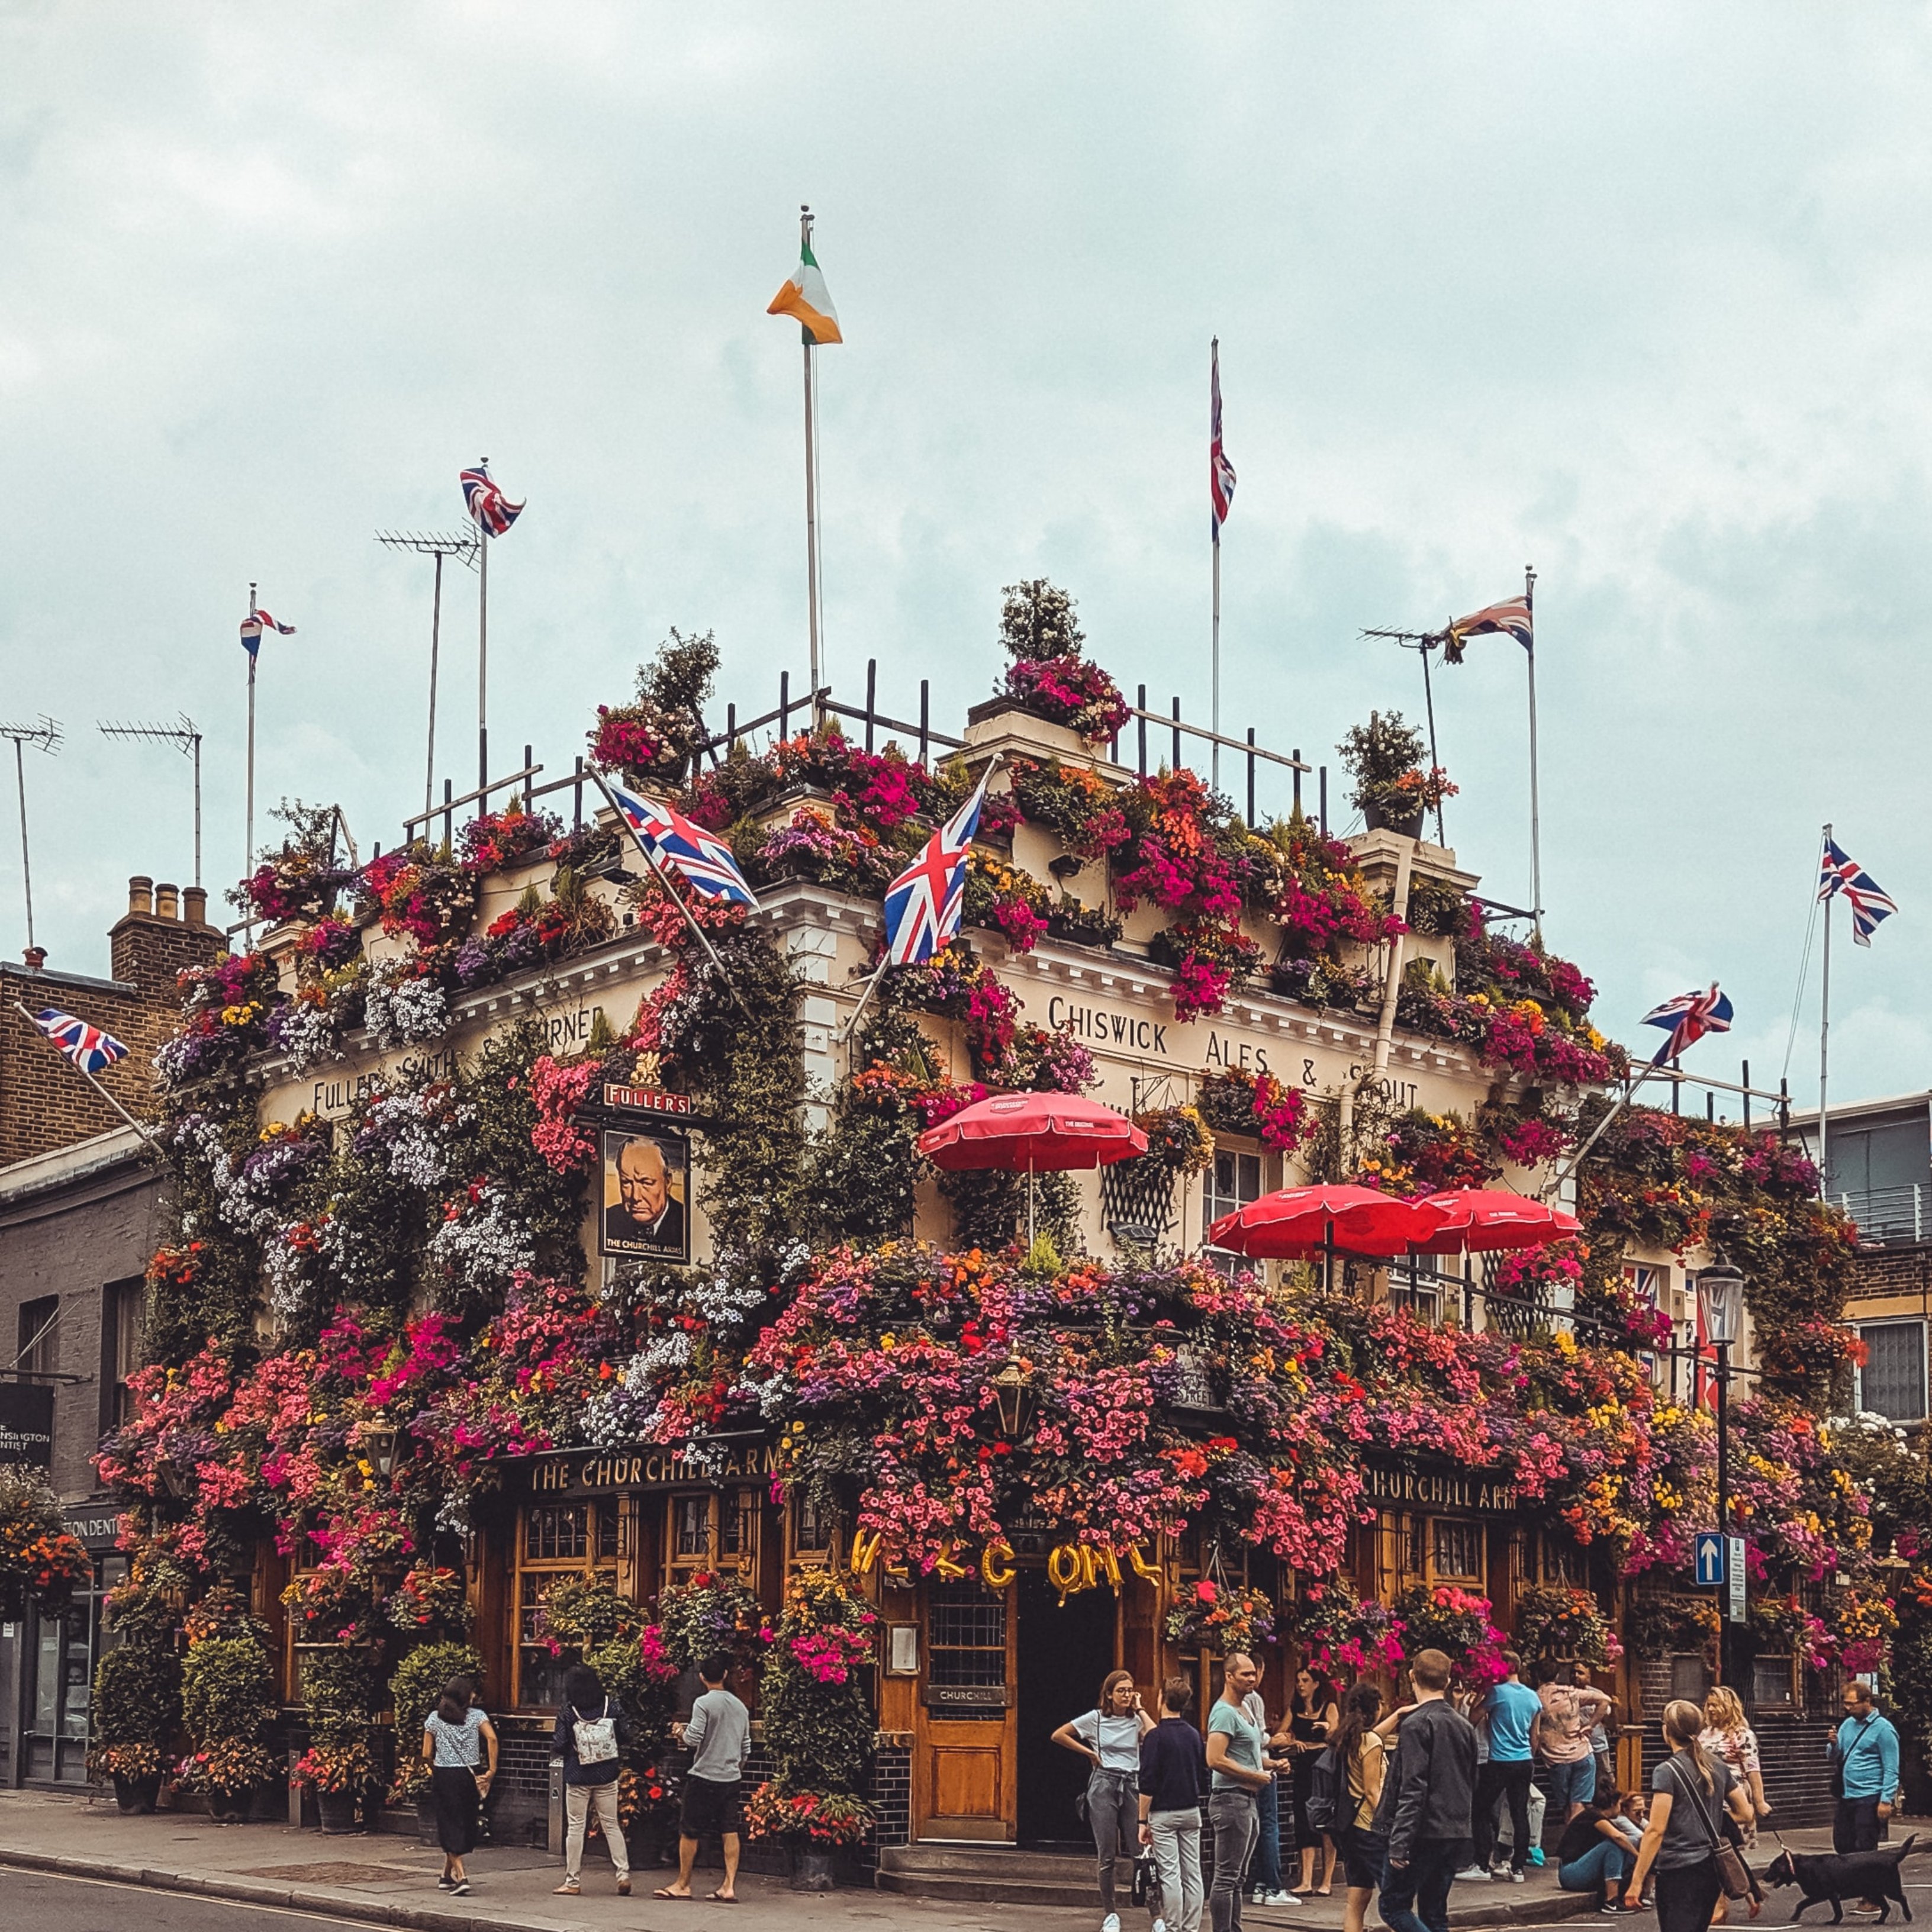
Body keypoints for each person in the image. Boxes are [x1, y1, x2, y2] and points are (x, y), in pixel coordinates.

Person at [1624, 1698, 1754, 1932]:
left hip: (1678, 1870)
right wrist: (1708, 1822)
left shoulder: (1666, 1771)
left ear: (1667, 1731)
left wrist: (1636, 1882)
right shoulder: (1717, 1766)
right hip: (1710, 1868)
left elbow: (1656, 1830)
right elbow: (1746, 1813)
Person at [1374, 1648, 1478, 1932]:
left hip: (1421, 1832)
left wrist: (1400, 1841)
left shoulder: (1416, 1725)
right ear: (1446, 1683)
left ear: (1411, 1677)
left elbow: (1413, 1787)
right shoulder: (1464, 1726)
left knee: (1393, 1906)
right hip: (1454, 1829)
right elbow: (1471, 1780)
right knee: (1435, 1913)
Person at [1053, 1667, 1157, 1932]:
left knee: (1141, 1852)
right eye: (1121, 1691)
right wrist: (1089, 1753)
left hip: (1132, 1783)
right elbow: (1059, 1735)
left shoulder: (1136, 1720)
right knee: (1107, 1854)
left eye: (1130, 1690)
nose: (1126, 1695)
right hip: (1104, 1783)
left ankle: (1156, 1916)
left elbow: (1155, 1737)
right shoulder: (1096, 1719)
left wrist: (1141, 1708)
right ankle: (1110, 1914)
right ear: (1109, 1694)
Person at [1205, 1651, 1290, 1932]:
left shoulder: (1247, 1709)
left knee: (1239, 1878)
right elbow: (1215, 1759)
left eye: (1253, 1673)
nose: (1252, 1679)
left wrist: (1273, 1764)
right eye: (1245, 1674)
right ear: (1229, 1677)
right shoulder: (1223, 1713)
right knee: (1226, 1877)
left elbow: (1248, 1755)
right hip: (1231, 1800)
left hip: (1249, 1800)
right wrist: (1255, 1775)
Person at [659, 1653, 749, 1903]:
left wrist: (680, 1731)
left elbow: (693, 1739)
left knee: (689, 1830)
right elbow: (746, 1748)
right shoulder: (740, 1706)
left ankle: (683, 1884)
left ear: (702, 1677)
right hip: (731, 1778)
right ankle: (729, 1886)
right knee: (729, 1830)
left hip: (704, 1776)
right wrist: (735, 1768)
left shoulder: (704, 1703)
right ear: (724, 1675)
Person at [551, 1660, 632, 1898]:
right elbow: (626, 1734)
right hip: (607, 1773)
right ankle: (623, 1873)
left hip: (578, 1775)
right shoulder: (611, 1705)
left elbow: (560, 1743)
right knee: (611, 1823)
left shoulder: (569, 1711)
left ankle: (572, 1881)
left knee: (576, 1827)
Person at [1139, 1675, 1209, 1932]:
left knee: (1171, 1875)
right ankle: (1192, 1928)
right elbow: (1203, 1774)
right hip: (1191, 1810)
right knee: (1193, 1873)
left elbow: (1147, 1783)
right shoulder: (1194, 1735)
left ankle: (1173, 1927)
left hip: (1163, 1813)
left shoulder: (1155, 1737)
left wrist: (1141, 1821)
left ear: (1161, 1699)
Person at [1829, 1679, 1902, 1916]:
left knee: (1865, 1849)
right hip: (1847, 1795)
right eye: (1846, 1704)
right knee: (1843, 1844)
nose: (1848, 1709)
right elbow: (1835, 1757)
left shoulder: (1884, 1729)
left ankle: (1873, 1898)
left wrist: (1886, 1799)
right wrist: (1832, 1745)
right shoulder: (1847, 1725)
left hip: (1869, 1796)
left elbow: (1891, 1767)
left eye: (1852, 1704)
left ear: (1867, 1702)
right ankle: (1856, 1888)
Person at [421, 1675, 497, 1896]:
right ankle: (446, 1877)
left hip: (445, 1775)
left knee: (448, 1824)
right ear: (464, 1695)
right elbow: (492, 1739)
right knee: (463, 1822)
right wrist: (491, 1771)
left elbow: (426, 1753)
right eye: (472, 1692)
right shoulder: (477, 1717)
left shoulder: (435, 1719)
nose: (474, 1695)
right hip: (470, 1776)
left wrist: (432, 1767)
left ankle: (462, 1878)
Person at [1471, 1651, 1541, 1883]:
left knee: (1480, 1809)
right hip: (1524, 1761)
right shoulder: (1533, 1698)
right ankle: (1518, 1867)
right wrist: (1530, 1757)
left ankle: (1482, 1864)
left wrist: (1480, 1695)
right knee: (1519, 1812)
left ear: (1507, 1667)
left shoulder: (1497, 1693)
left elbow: (1473, 1718)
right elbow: (1535, 1736)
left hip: (1500, 1760)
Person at [1331, 1681, 1390, 1932]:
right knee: (1396, 1898)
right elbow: (1372, 1790)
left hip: (1350, 1827)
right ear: (1375, 1708)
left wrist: (1398, 1715)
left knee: (1357, 1899)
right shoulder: (1371, 1742)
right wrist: (1388, 1823)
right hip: (1370, 1827)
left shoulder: (1348, 1737)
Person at [1535, 1656, 1611, 1826]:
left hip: (1556, 1759)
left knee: (1566, 1808)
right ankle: (1575, 1844)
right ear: (1556, 1676)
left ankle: (1572, 1844)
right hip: (1582, 1754)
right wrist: (1590, 1725)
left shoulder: (1534, 1698)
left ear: (1538, 1676)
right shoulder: (1570, 1693)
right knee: (1578, 1805)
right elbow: (1605, 1700)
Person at [1286, 1668, 1339, 1897]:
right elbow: (1281, 1733)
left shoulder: (1329, 1708)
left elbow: (1336, 1736)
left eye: (1305, 1681)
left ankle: (1326, 1880)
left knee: (1325, 1822)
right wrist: (1292, 1740)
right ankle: (1305, 1880)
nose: (1300, 1685)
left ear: (1316, 1684)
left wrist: (1328, 1729)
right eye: (1298, 1681)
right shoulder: (1295, 1709)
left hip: (1324, 1768)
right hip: (1303, 1768)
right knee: (1303, 1821)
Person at [1556, 1786, 1639, 1911]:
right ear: (1612, 1804)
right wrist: (1639, 1856)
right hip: (1571, 1873)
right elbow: (1618, 1837)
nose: (1621, 1809)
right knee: (1613, 1845)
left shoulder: (1599, 1818)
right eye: (1619, 1805)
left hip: (1581, 1871)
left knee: (1629, 1842)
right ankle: (1611, 1900)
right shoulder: (1593, 1816)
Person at [604, 1136, 684, 1251]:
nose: (636, 1197)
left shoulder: (686, 1224)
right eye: (627, 1182)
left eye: (646, 1183)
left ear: (667, 1182)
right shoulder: (609, 1220)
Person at [1579, 1663, 1618, 1799]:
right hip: (1578, 1749)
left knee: (1605, 1780)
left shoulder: (1598, 1695)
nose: (1576, 1676)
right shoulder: (1567, 1694)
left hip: (1598, 1745)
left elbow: (1608, 1718)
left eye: (1580, 1673)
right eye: (1573, 1673)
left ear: (1588, 1677)